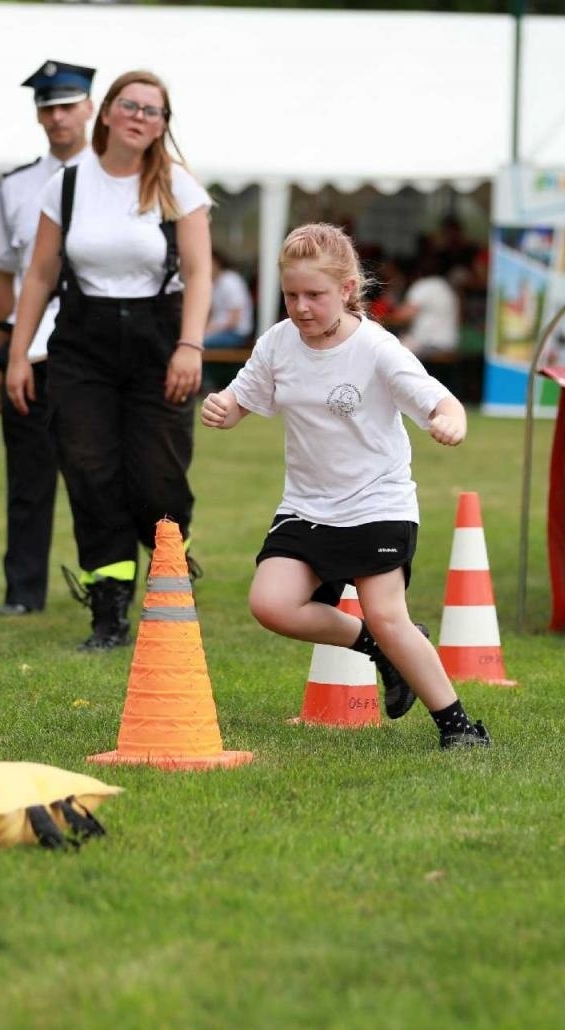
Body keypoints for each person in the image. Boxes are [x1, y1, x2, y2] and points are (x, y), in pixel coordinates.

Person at [199, 223, 492, 750]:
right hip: (308, 505)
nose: (302, 307)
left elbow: (440, 401)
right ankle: (380, 652)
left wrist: (453, 422)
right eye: (292, 295)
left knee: (387, 615)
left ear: (346, 291)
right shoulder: (278, 343)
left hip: (376, 502)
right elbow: (241, 397)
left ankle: (459, 728)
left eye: (314, 295)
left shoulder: (378, 349)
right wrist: (222, 407)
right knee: (272, 604)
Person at [4, 69, 211, 651]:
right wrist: (18, 357)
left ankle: (172, 571)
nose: (140, 116)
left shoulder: (179, 186)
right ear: (109, 112)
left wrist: (189, 347)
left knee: (157, 481)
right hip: (82, 344)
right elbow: (39, 275)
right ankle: (109, 610)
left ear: (163, 124)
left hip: (158, 342)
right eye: (131, 105)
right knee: (91, 474)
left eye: (153, 110)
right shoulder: (67, 184)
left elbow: (199, 274)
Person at [0, 59, 97, 617]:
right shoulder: (17, 185)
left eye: (67, 106)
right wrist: (1, 358)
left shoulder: (118, 180)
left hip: (95, 354)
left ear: (90, 109)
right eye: (47, 108)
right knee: (27, 479)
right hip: (31, 351)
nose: (57, 117)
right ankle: (22, 594)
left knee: (96, 478)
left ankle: (107, 594)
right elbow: (4, 274)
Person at [391, 257, 459, 359]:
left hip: (430, 344)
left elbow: (404, 315)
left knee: (390, 350)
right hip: (449, 344)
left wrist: (392, 305)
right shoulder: (446, 286)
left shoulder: (423, 286)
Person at [204, 249, 253, 349]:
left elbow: (234, 320)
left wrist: (210, 330)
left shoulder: (230, 281)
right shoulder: (214, 283)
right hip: (220, 332)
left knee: (198, 343)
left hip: (235, 333)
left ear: (216, 262)